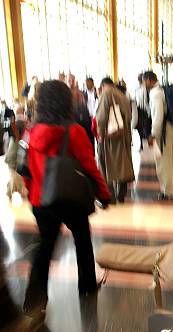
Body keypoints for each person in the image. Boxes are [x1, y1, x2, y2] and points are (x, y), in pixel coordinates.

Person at [23, 80, 110, 316]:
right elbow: (90, 167)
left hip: (41, 200)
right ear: (66, 101)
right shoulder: (73, 131)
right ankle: (86, 287)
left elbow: (25, 168)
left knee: (44, 248)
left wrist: (32, 191)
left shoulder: (30, 131)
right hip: (70, 199)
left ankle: (34, 302)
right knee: (82, 240)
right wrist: (104, 194)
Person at [96, 77, 134, 203]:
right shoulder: (123, 95)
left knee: (107, 165)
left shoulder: (106, 94)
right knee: (122, 164)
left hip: (110, 137)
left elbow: (101, 118)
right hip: (124, 135)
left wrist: (100, 134)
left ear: (102, 86)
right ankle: (121, 194)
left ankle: (110, 195)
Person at [142, 71, 173, 201]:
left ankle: (167, 192)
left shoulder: (155, 93)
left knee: (163, 161)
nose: (143, 84)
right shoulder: (164, 90)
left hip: (164, 131)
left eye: (143, 81)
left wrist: (153, 134)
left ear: (148, 79)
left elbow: (157, 116)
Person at [67, 73, 94, 147]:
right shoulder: (65, 94)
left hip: (84, 123)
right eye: (69, 80)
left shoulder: (81, 94)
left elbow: (86, 109)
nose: (71, 82)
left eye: (73, 80)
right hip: (72, 125)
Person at [135, 73, 151, 151]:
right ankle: (142, 144)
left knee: (145, 129)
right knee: (140, 129)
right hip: (139, 111)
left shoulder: (147, 89)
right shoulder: (137, 89)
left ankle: (146, 146)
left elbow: (147, 101)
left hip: (146, 112)